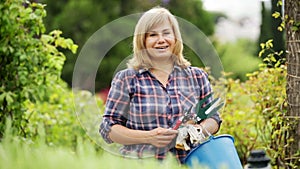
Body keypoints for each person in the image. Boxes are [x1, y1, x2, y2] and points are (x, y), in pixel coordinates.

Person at [99, 6, 222, 164]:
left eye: (166, 33)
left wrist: (195, 132)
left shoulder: (197, 76)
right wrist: (149, 137)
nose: (161, 40)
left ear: (175, 38)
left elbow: (213, 118)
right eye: (152, 35)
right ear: (142, 41)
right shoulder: (127, 79)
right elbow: (108, 129)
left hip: (189, 163)